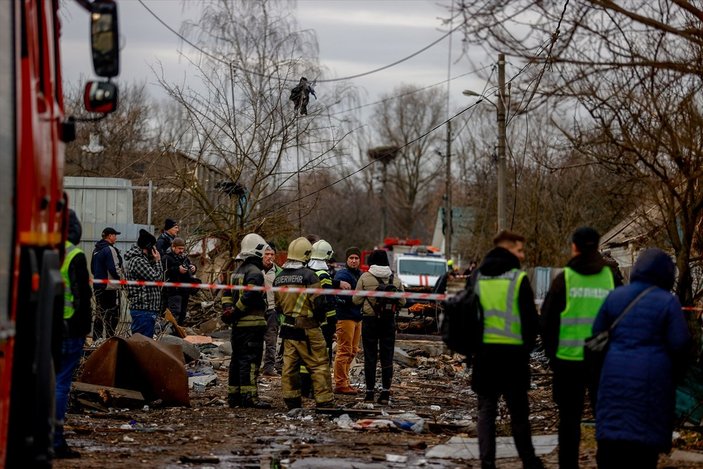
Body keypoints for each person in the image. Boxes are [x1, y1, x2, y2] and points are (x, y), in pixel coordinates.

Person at [593, 248, 690, 469]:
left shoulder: (614, 297)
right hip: (652, 381)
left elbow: (595, 340)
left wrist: (602, 371)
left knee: (612, 438)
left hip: (613, 378)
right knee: (643, 451)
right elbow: (680, 344)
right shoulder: (668, 302)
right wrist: (672, 376)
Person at [541, 227, 619, 469]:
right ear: (596, 246)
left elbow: (547, 322)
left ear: (574, 247)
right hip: (603, 361)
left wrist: (552, 356)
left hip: (568, 361)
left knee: (569, 421)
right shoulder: (611, 278)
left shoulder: (564, 279)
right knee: (605, 419)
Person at [472, 230, 544, 469]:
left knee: (486, 412)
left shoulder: (477, 277)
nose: (522, 255)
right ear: (509, 248)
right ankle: (529, 460)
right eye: (520, 250)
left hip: (484, 356)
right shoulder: (518, 278)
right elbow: (531, 321)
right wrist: (526, 348)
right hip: (513, 357)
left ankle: (487, 462)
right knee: (519, 414)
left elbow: (468, 317)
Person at [274, 237, 335, 410]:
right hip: (309, 328)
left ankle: (291, 400)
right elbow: (319, 303)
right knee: (319, 363)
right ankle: (324, 401)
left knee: (289, 365)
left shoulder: (279, 277)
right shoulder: (310, 276)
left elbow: (277, 306)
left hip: (288, 329)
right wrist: (322, 320)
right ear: (306, 254)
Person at [54, 210, 93, 459]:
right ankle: (55, 439)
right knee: (60, 385)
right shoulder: (74, 255)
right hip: (68, 328)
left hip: (41, 328)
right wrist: (84, 329)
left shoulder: (36, 248)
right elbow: (82, 298)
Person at [222, 233, 271, 409]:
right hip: (252, 325)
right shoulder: (255, 273)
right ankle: (250, 397)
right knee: (250, 361)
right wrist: (236, 311)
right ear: (257, 251)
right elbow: (250, 295)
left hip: (237, 327)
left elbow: (226, 294)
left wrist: (228, 311)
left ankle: (233, 395)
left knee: (237, 360)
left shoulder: (236, 272)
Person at [353, 249, 405, 405]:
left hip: (370, 321)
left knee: (370, 356)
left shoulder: (365, 277)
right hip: (388, 321)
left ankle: (369, 393)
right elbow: (402, 302)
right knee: (387, 356)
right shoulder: (395, 279)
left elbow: (356, 300)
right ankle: (385, 393)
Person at [333, 247, 363, 395]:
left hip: (357, 317)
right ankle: (340, 383)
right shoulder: (342, 274)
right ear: (346, 259)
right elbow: (341, 297)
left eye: (356, 258)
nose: (353, 260)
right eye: (351, 258)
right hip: (345, 317)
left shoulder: (360, 274)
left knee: (352, 351)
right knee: (344, 350)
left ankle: (346, 381)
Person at [124, 229, 163, 338]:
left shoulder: (143, 260)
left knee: (144, 344)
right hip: (143, 310)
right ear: (149, 246)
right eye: (154, 246)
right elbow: (157, 278)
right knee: (142, 345)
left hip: (146, 310)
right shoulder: (138, 261)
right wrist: (158, 261)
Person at [91, 226, 124, 340]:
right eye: (115, 235)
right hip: (109, 288)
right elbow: (115, 269)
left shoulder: (96, 250)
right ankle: (110, 339)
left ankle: (97, 340)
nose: (116, 238)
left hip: (98, 286)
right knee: (112, 315)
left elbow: (92, 269)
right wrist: (123, 280)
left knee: (100, 314)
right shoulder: (110, 249)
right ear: (110, 236)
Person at [163, 237, 197, 325]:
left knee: (182, 314)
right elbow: (164, 273)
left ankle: (178, 333)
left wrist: (193, 268)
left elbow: (189, 266)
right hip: (173, 291)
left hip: (184, 290)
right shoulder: (166, 258)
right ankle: (171, 334)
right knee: (174, 313)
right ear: (173, 247)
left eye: (182, 248)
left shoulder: (184, 257)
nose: (181, 251)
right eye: (179, 248)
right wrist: (177, 270)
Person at [261, 243, 281, 377]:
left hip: (273, 310)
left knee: (271, 341)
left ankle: (268, 368)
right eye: (266, 254)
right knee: (255, 340)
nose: (269, 257)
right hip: (257, 310)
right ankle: (255, 366)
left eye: (272, 254)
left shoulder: (279, 272)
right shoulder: (255, 270)